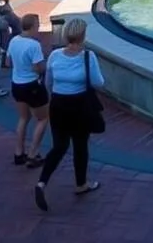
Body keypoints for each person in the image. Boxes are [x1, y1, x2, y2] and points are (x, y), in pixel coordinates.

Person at [34, 17, 104, 211]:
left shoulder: (55, 55)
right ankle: (81, 184)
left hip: (58, 104)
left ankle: (42, 182)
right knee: (80, 146)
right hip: (80, 105)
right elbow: (99, 83)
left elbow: (48, 82)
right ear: (83, 36)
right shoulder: (88, 57)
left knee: (59, 146)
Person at [8, 14, 49, 168]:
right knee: (43, 118)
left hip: (16, 85)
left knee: (23, 118)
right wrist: (44, 67)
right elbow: (37, 67)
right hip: (32, 85)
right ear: (32, 26)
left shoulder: (13, 41)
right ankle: (33, 153)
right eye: (37, 25)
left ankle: (19, 152)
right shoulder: (34, 45)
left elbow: (8, 61)